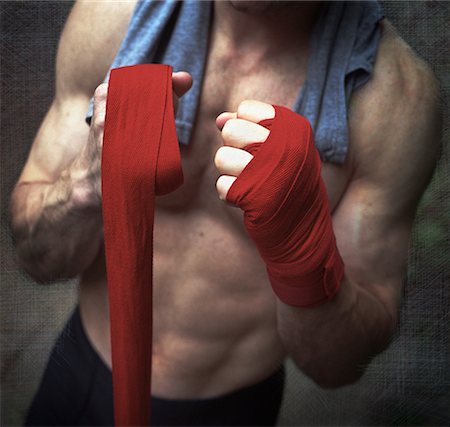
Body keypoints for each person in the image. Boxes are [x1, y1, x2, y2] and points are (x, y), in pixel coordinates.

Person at [10, 1, 441, 426]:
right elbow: (35, 255)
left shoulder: (395, 99)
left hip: (230, 410)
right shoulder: (113, 13)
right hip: (80, 373)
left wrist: (303, 251)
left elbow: (339, 365)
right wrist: (87, 182)